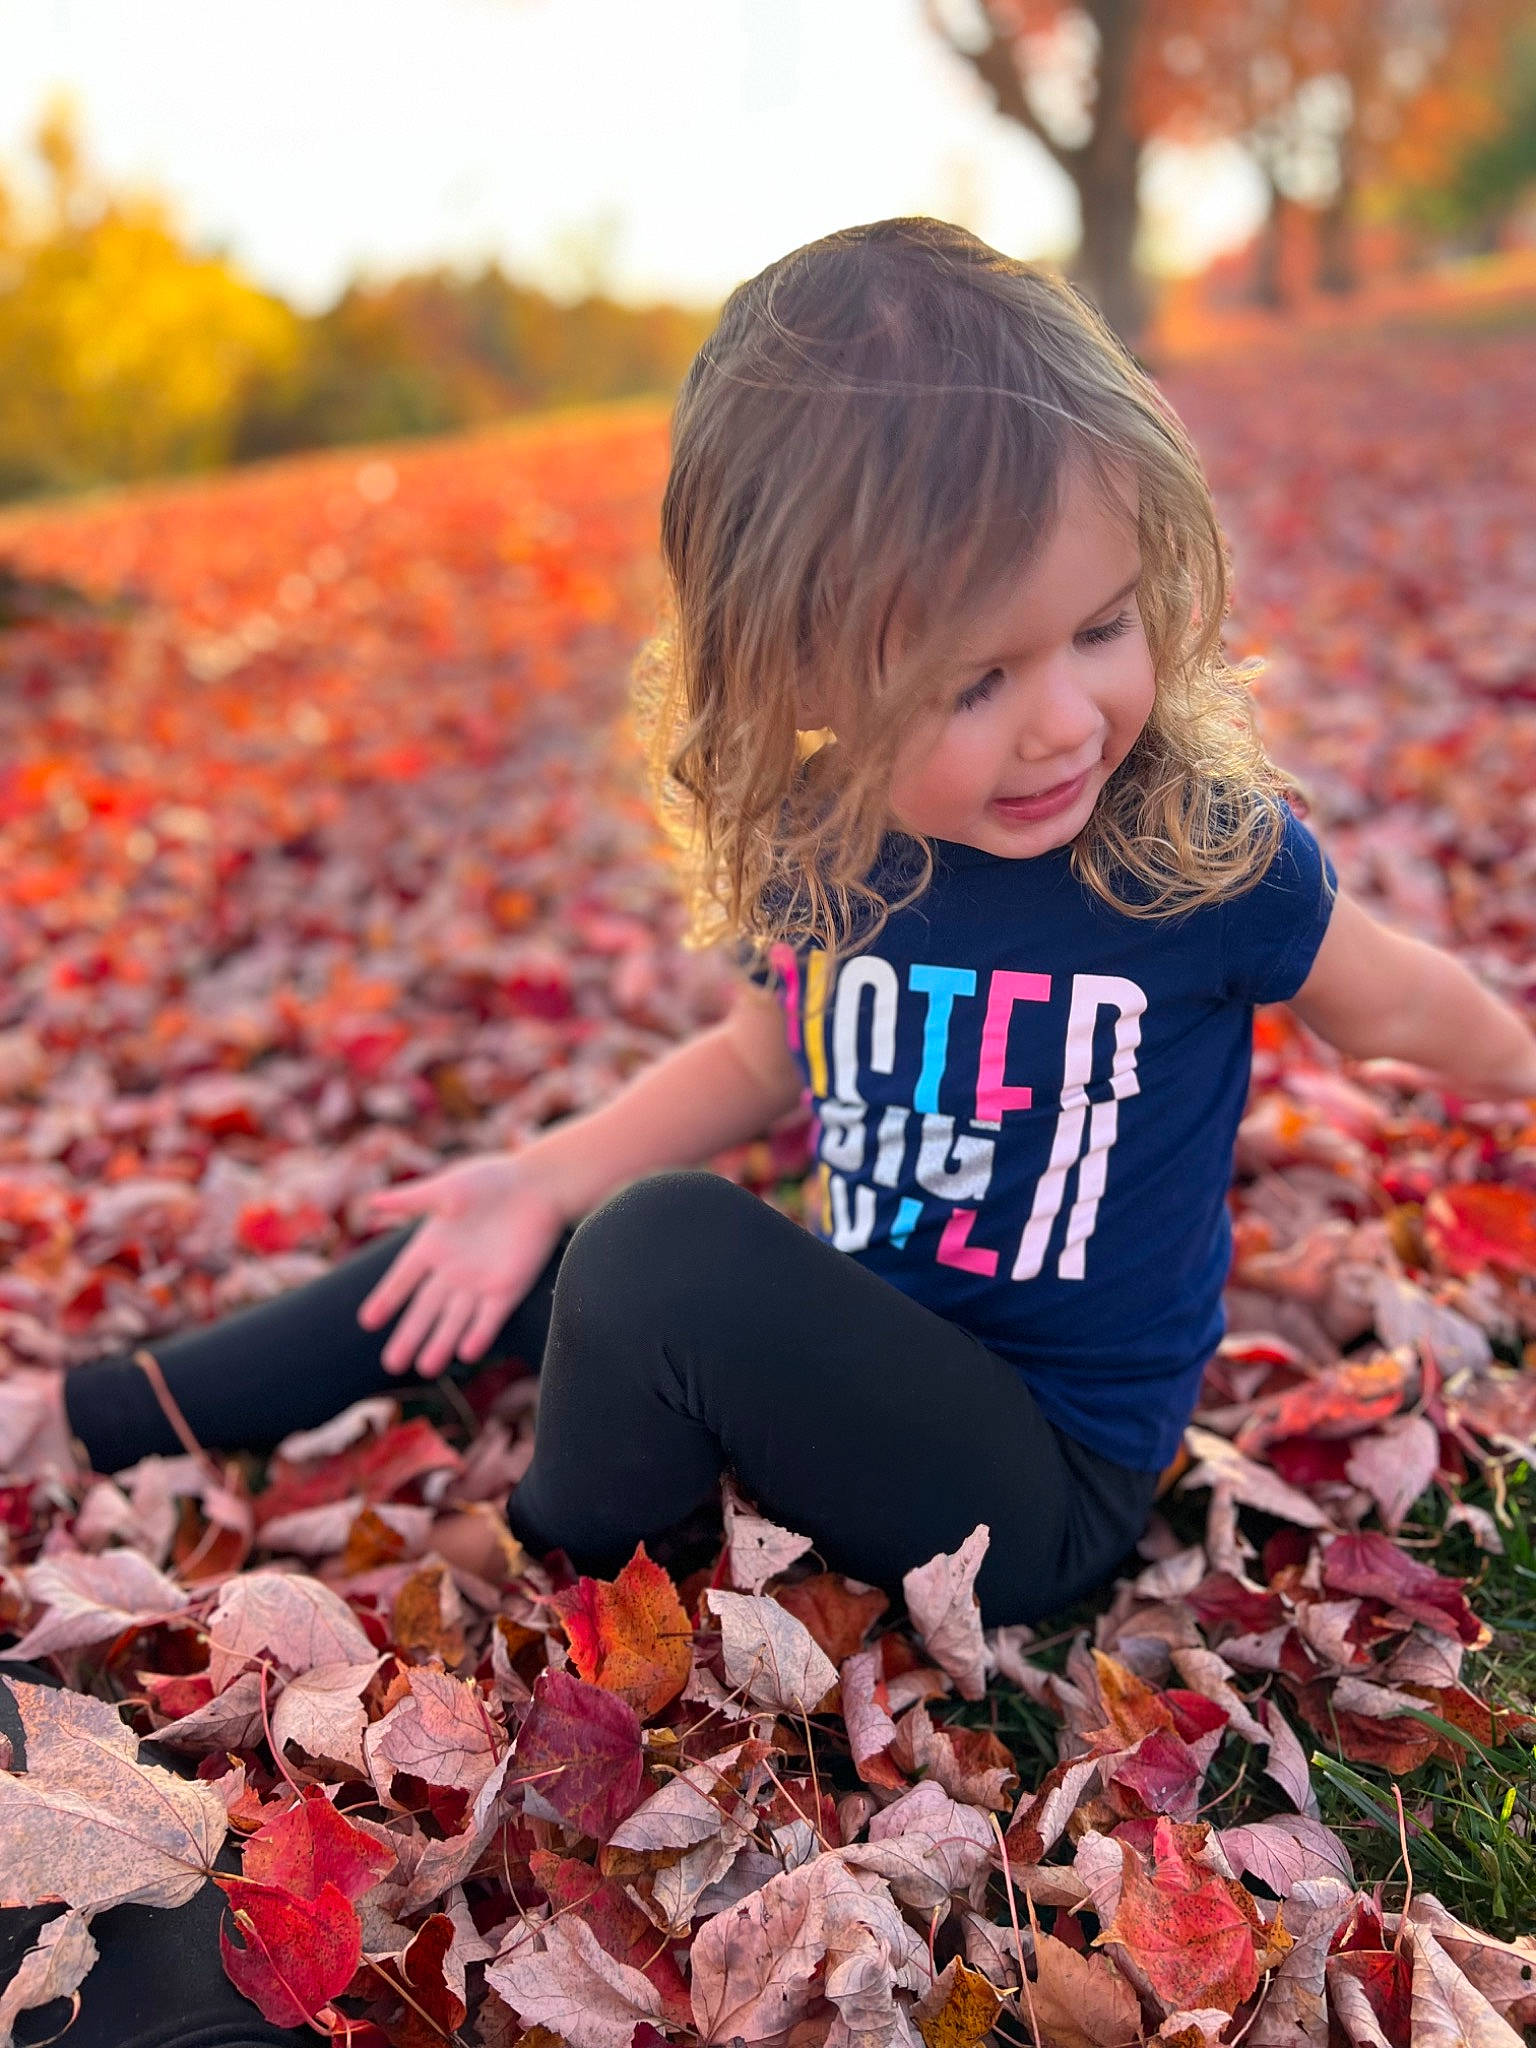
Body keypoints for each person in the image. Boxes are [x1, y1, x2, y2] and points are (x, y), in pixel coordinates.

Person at [5, 218, 1536, 1640]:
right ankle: (94, 1414)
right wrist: (540, 1172)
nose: (1065, 721)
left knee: (657, 1250)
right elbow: (761, 1053)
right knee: (531, 1242)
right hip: (871, 1343)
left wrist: (1520, 1069)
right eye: (972, 681)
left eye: (1100, 627)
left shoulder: (1190, 858)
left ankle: (570, 1570)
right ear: (801, 679)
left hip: (1038, 1486)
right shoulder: (841, 848)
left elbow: (1398, 1003)